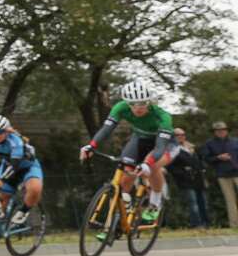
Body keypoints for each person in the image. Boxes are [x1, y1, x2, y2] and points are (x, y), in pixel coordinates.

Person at [80, 80, 177, 223]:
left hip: (164, 143)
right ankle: (121, 216)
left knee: (153, 165)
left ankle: (155, 203)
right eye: (133, 104)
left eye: (143, 103)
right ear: (126, 102)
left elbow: (159, 147)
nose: (138, 108)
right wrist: (91, 146)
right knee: (125, 171)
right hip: (140, 139)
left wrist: (147, 163)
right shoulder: (120, 108)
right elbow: (106, 129)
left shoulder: (163, 116)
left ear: (149, 101)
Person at [166, 128, 209, 229]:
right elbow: (170, 166)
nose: (181, 137)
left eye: (183, 134)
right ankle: (197, 225)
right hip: (185, 180)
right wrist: (183, 173)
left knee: (203, 202)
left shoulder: (190, 146)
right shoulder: (171, 149)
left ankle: (206, 223)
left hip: (198, 178)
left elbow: (199, 160)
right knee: (193, 203)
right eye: (178, 135)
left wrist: (202, 168)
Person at [201, 121, 238, 228]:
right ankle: (234, 225)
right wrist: (218, 157)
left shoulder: (235, 141)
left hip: (237, 172)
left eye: (223, 130)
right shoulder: (209, 143)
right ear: (214, 132)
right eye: (218, 130)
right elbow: (206, 158)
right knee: (230, 201)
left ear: (227, 130)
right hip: (223, 175)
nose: (221, 132)